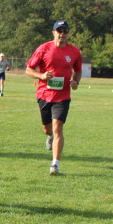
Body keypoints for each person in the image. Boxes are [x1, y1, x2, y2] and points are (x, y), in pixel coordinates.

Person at [25, 20, 82, 175]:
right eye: (59, 31)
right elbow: (29, 69)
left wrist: (75, 82)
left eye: (65, 31)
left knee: (58, 127)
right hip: (44, 94)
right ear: (53, 32)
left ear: (68, 33)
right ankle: (49, 136)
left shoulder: (75, 52)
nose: (62, 34)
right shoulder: (44, 48)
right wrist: (42, 75)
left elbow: (77, 71)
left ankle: (55, 164)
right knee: (47, 129)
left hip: (63, 96)